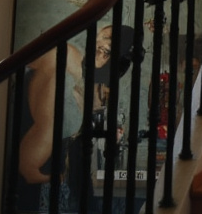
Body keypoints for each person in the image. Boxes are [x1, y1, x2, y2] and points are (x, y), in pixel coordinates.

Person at [17, 25, 136, 213]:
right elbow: (28, 170)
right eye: (102, 44)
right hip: (40, 178)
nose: (102, 52)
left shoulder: (88, 80)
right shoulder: (64, 59)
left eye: (108, 52)